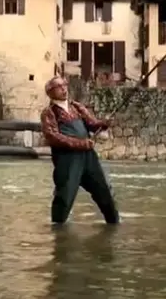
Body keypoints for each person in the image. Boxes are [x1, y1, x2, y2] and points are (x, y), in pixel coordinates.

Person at [40, 76, 120, 225]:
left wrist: (103, 123)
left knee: (104, 192)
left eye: (65, 85)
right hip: (67, 162)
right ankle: (58, 233)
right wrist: (80, 144)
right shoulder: (49, 113)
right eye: (59, 87)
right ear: (50, 92)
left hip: (88, 158)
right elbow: (53, 137)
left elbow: (92, 123)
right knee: (64, 197)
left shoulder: (77, 106)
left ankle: (114, 223)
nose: (64, 89)